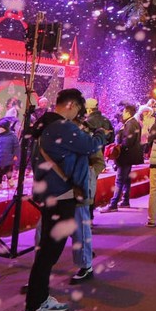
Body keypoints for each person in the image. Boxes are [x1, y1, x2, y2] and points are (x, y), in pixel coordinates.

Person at [19, 88, 100, 311]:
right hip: (60, 195)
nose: (77, 116)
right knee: (47, 255)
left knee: (49, 253)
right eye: (78, 110)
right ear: (72, 105)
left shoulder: (46, 125)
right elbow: (90, 145)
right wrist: (100, 133)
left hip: (52, 194)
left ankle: (41, 300)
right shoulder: (60, 127)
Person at [70, 98, 112, 282]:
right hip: (58, 187)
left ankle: (85, 264)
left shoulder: (86, 132)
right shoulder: (56, 130)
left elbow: (98, 160)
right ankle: (39, 271)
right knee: (46, 230)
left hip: (79, 187)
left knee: (81, 226)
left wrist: (87, 175)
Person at [107, 107, 145, 210]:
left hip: (125, 157)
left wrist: (118, 146)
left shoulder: (130, 124)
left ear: (128, 113)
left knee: (119, 180)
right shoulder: (132, 122)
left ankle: (113, 204)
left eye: (123, 112)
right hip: (128, 156)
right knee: (126, 179)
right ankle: (125, 200)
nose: (122, 114)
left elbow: (128, 141)